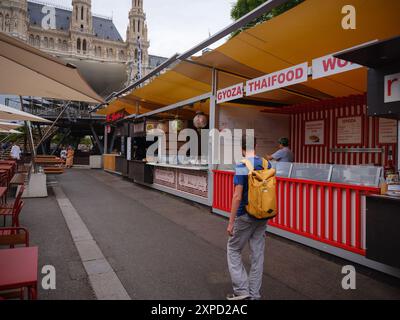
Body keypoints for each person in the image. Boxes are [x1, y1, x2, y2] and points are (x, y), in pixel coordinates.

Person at [226, 135, 272, 301]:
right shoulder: (267, 164)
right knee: (257, 255)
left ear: (242, 148)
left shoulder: (241, 165)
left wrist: (231, 222)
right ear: (256, 146)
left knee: (233, 250)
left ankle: (241, 290)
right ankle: (254, 294)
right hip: (263, 214)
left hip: (245, 215)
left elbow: (237, 196)